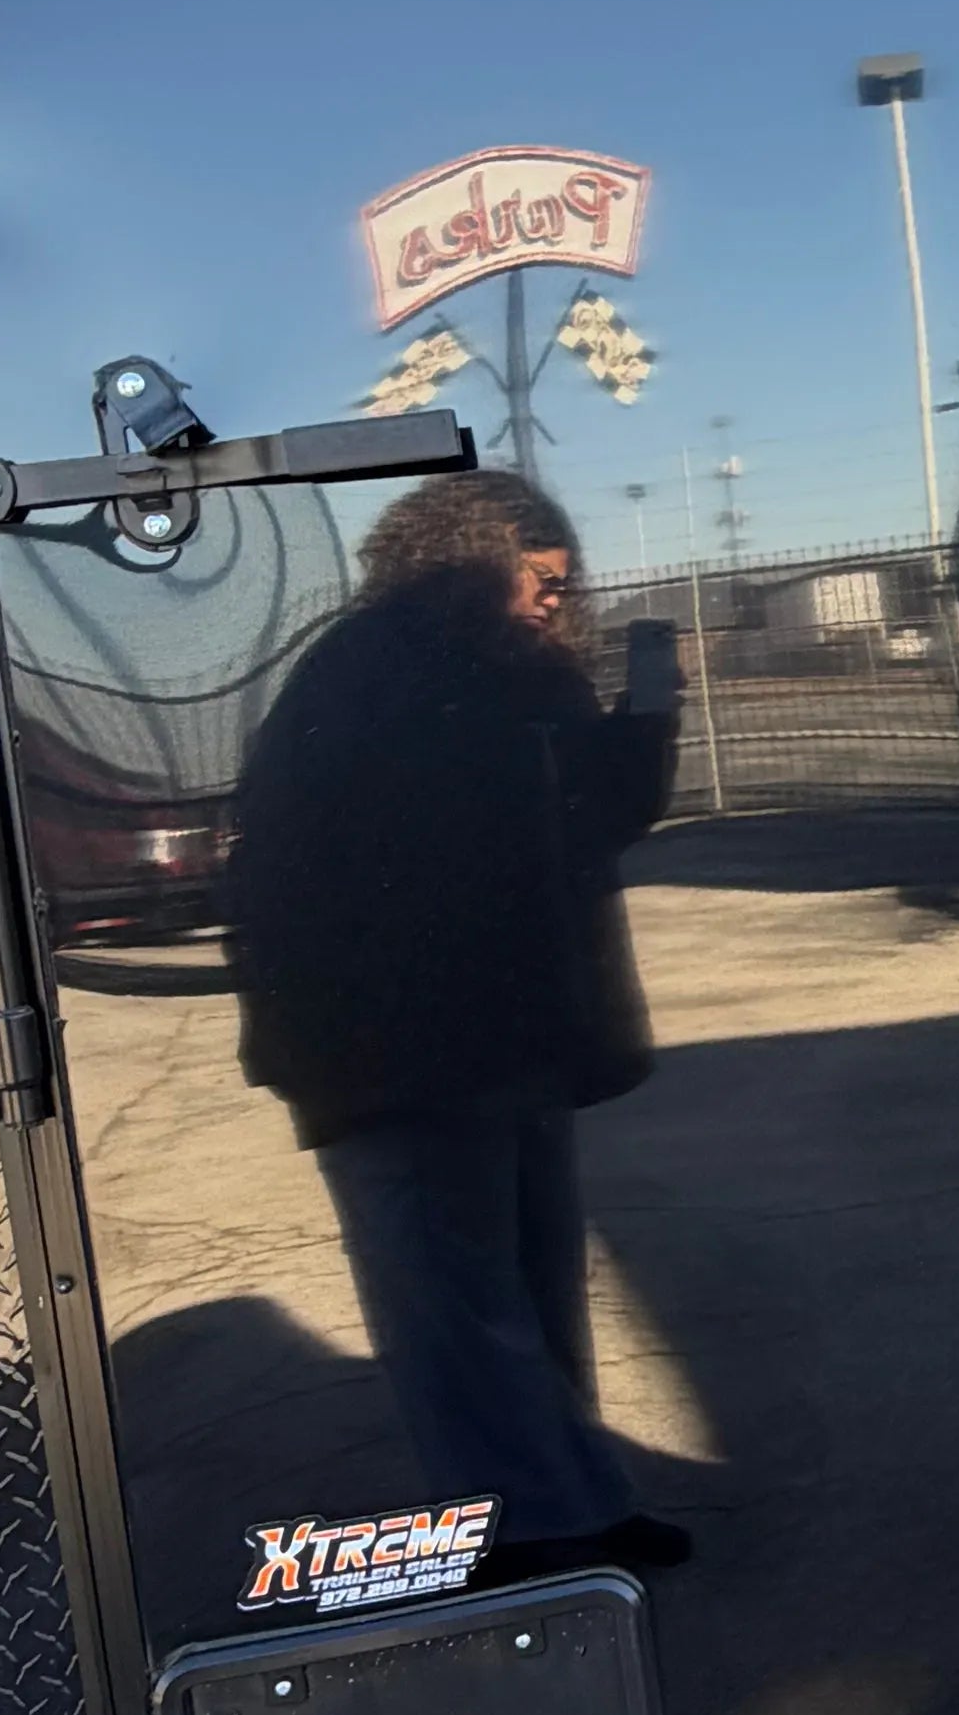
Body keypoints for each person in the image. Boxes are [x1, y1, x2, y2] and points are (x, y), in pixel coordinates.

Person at [220, 463, 690, 1585]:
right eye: (539, 578)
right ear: (471, 561)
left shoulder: (495, 668)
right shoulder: (377, 669)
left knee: (520, 1288)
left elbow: (587, 819)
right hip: (391, 1046)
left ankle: (569, 1502)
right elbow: (340, 872)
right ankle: (528, 1528)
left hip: (501, 1037)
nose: (553, 600)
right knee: (451, 1304)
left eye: (563, 585)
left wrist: (649, 696)